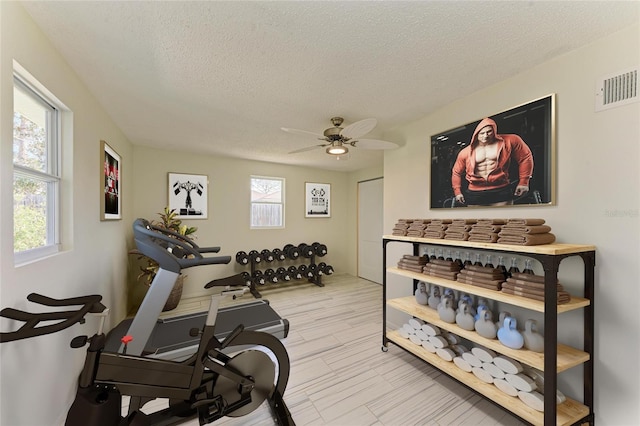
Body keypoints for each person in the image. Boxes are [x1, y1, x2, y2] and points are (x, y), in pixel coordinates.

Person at [451, 117, 533, 206]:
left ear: (494, 130)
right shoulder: (465, 152)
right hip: (475, 191)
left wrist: (524, 182)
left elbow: (525, 158)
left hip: (500, 188)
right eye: (482, 133)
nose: (485, 136)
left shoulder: (510, 140)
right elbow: (456, 172)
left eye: (489, 132)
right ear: (476, 134)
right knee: (475, 219)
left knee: (504, 219)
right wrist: (457, 191)